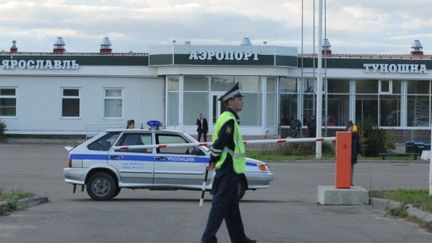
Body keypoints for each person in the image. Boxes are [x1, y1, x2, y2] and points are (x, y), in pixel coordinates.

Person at [201, 83, 256, 243]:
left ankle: (239, 238)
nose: (242, 102)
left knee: (232, 207)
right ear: (229, 102)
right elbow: (220, 143)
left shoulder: (229, 118)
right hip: (227, 168)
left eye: (241, 99)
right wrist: (213, 159)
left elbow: (223, 143)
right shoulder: (229, 120)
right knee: (219, 206)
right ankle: (208, 239)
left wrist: (214, 159)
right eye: (239, 99)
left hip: (230, 168)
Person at [346, 121, 363, 186]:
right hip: (346, 154)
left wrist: (360, 153)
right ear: (347, 128)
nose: (350, 129)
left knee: (351, 167)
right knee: (347, 168)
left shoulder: (355, 136)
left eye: (351, 127)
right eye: (349, 127)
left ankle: (350, 182)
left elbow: (359, 144)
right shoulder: (345, 135)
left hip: (353, 154)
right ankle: (346, 180)